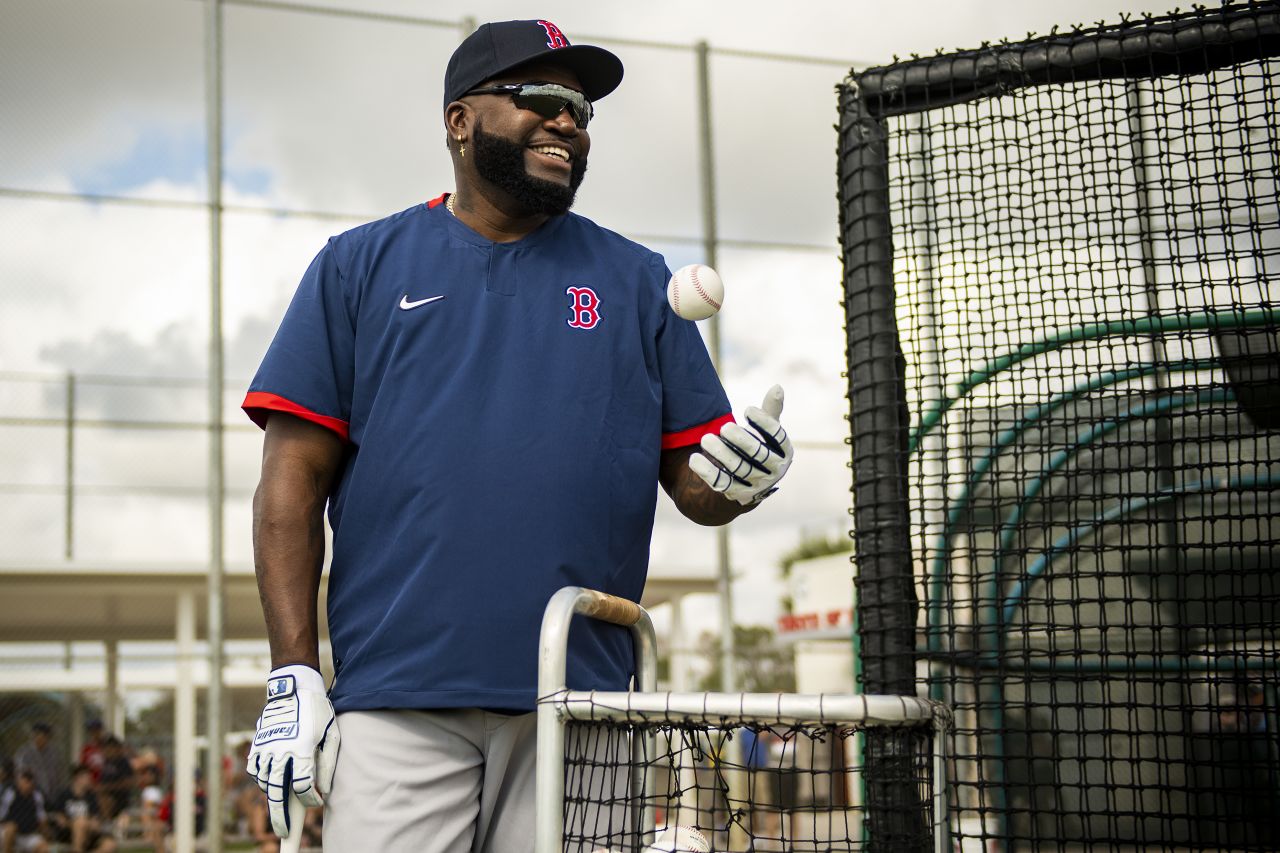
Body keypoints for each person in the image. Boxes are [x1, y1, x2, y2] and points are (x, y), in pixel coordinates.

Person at [243, 18, 793, 853]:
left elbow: (697, 486)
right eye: (541, 98)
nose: (569, 121)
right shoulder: (357, 265)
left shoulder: (639, 280)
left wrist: (744, 472)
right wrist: (293, 672)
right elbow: (291, 481)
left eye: (581, 109)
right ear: (459, 122)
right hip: (399, 700)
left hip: (582, 703)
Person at [47, 765, 117, 853]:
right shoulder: (64, 795)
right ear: (77, 778)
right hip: (68, 833)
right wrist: (77, 823)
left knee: (110, 844)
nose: (89, 780)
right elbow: (60, 819)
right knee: (80, 822)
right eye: (86, 777)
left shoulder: (90, 796)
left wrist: (89, 824)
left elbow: (95, 820)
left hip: (88, 832)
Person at [0, 771, 48, 853]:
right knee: (11, 828)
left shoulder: (36, 796)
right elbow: (2, 813)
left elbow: (42, 818)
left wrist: (46, 835)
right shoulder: (11, 793)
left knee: (44, 848)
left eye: (29, 782)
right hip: (9, 832)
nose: (27, 785)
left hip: (27, 835)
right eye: (23, 781)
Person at [13, 724, 62, 802]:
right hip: (31, 794)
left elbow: (58, 773)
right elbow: (19, 772)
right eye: (37, 735)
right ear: (33, 736)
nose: (41, 739)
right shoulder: (24, 751)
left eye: (44, 736)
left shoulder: (53, 752)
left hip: (51, 793)